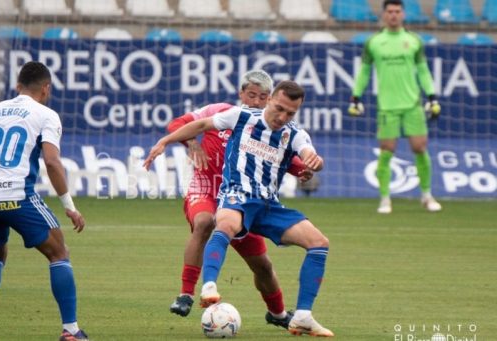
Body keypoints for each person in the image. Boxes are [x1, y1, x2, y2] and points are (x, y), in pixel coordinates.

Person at [144, 80, 333, 337]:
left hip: (267, 205)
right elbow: (200, 125)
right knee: (221, 223)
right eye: (279, 108)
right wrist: (166, 141)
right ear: (270, 100)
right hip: (236, 196)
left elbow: (309, 154)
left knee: (318, 242)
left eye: (290, 113)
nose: (282, 117)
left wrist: (315, 162)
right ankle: (207, 286)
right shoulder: (240, 116)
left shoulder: (295, 134)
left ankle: (302, 316)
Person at [0, 61, 90, 341]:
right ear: (46, 88)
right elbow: (51, 161)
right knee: (58, 253)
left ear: (17, 86)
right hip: (16, 193)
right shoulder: (46, 114)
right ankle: (71, 331)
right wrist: (70, 208)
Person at [349, 0, 442, 214]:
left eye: (397, 11)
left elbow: (424, 71)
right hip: (387, 107)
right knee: (386, 150)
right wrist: (356, 96)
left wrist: (432, 96)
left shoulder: (413, 40)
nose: (393, 15)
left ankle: (427, 196)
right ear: (383, 14)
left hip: (412, 105)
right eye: (390, 11)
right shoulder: (374, 42)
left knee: (420, 148)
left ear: (403, 14)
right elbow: (364, 72)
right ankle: (384, 199)